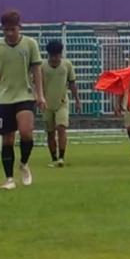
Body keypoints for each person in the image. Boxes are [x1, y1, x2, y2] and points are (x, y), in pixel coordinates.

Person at [0, 10, 46, 190]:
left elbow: (37, 71)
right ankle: (9, 178)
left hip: (25, 94)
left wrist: (40, 95)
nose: (9, 33)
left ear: (19, 27)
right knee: (7, 139)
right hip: (4, 97)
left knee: (26, 132)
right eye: (6, 30)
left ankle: (24, 164)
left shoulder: (30, 44)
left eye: (13, 29)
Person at [42, 40, 81, 168]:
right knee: (50, 132)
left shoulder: (67, 65)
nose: (54, 58)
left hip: (62, 102)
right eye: (52, 55)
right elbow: (37, 84)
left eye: (57, 55)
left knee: (61, 127)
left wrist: (77, 100)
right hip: (47, 103)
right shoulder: (42, 66)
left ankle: (61, 157)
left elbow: (72, 83)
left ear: (60, 54)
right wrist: (38, 98)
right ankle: (53, 157)